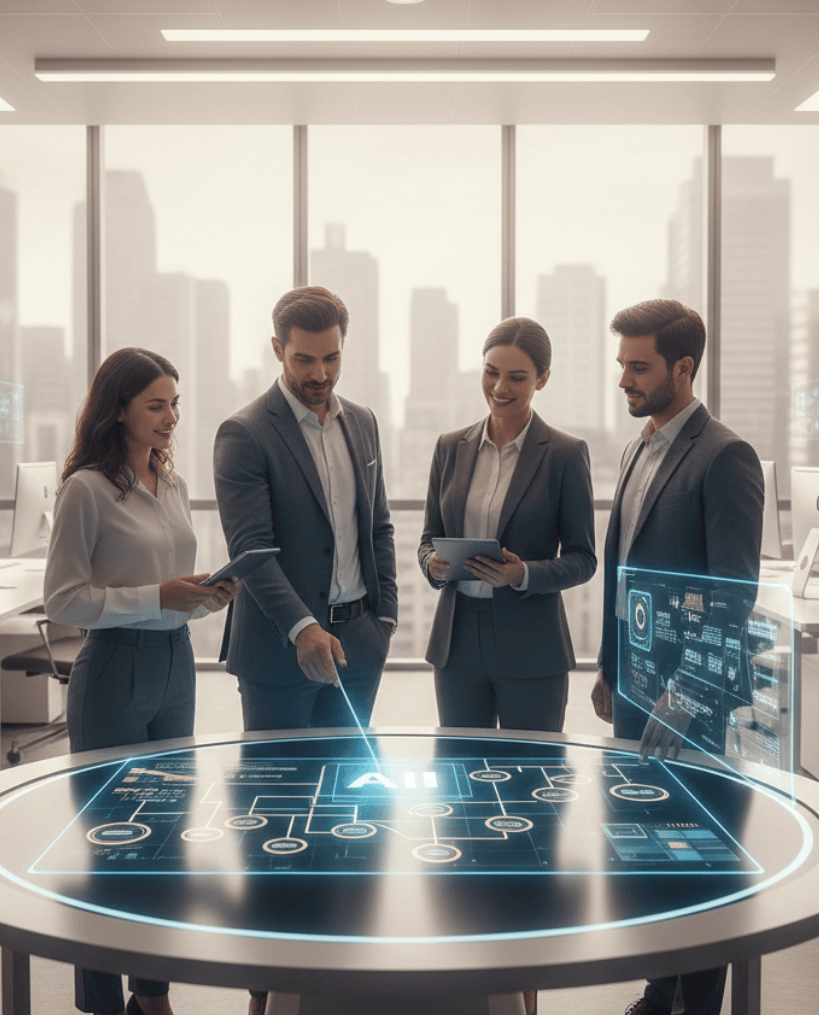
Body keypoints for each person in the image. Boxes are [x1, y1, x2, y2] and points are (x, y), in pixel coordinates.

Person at [43, 348, 237, 1016]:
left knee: (164, 837)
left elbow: (170, 591)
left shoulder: (172, 483)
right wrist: (156, 596)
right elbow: (66, 600)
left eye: (174, 404)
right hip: (112, 671)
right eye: (155, 405)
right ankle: (100, 1005)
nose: (170, 417)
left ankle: (152, 992)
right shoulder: (86, 490)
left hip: (174, 666)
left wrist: (208, 595)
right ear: (117, 408)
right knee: (108, 846)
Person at [590, 299, 763, 1016]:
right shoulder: (640, 445)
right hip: (637, 690)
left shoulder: (725, 456)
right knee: (647, 846)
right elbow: (624, 567)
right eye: (621, 364)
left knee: (696, 858)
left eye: (639, 366)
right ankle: (661, 988)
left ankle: (694, 1006)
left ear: (683, 368)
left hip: (693, 701)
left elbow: (734, 593)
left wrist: (688, 692)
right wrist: (609, 668)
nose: (623, 380)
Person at [214, 286, 398, 737]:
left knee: (348, 792)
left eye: (331, 358)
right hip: (279, 652)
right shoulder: (243, 433)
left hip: (359, 646)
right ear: (278, 350)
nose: (320, 373)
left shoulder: (363, 421)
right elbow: (251, 550)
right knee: (278, 798)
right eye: (304, 360)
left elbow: (377, 525)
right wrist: (303, 629)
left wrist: (385, 618)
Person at [418, 316, 596, 733]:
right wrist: (432, 564)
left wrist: (523, 574)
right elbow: (428, 537)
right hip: (457, 642)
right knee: (460, 777)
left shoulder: (565, 455)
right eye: (491, 373)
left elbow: (583, 559)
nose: (500, 388)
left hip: (532, 643)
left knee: (531, 781)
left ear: (543, 379)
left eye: (517, 377)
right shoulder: (450, 447)